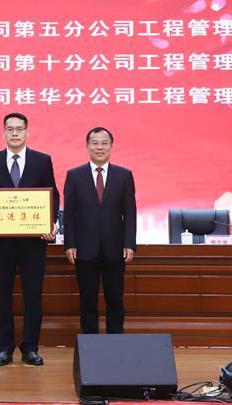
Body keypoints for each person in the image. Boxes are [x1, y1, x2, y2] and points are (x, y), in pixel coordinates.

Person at [0, 113, 59, 366]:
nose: (14, 133)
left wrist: (50, 224)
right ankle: (4, 348)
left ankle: (30, 348)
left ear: (27, 132)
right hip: (1, 241)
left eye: (19, 129)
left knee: (33, 295)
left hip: (33, 242)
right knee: (2, 295)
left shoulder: (42, 161)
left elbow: (52, 195)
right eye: (10, 129)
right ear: (3, 133)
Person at [63, 127, 136, 335]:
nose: (99, 147)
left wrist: (129, 243)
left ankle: (115, 341)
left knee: (115, 299)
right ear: (87, 146)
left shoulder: (124, 175)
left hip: (115, 249)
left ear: (111, 146)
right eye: (95, 143)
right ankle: (90, 343)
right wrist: (70, 244)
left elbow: (130, 212)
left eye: (104, 143)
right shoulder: (74, 175)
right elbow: (69, 214)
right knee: (87, 300)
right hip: (84, 249)